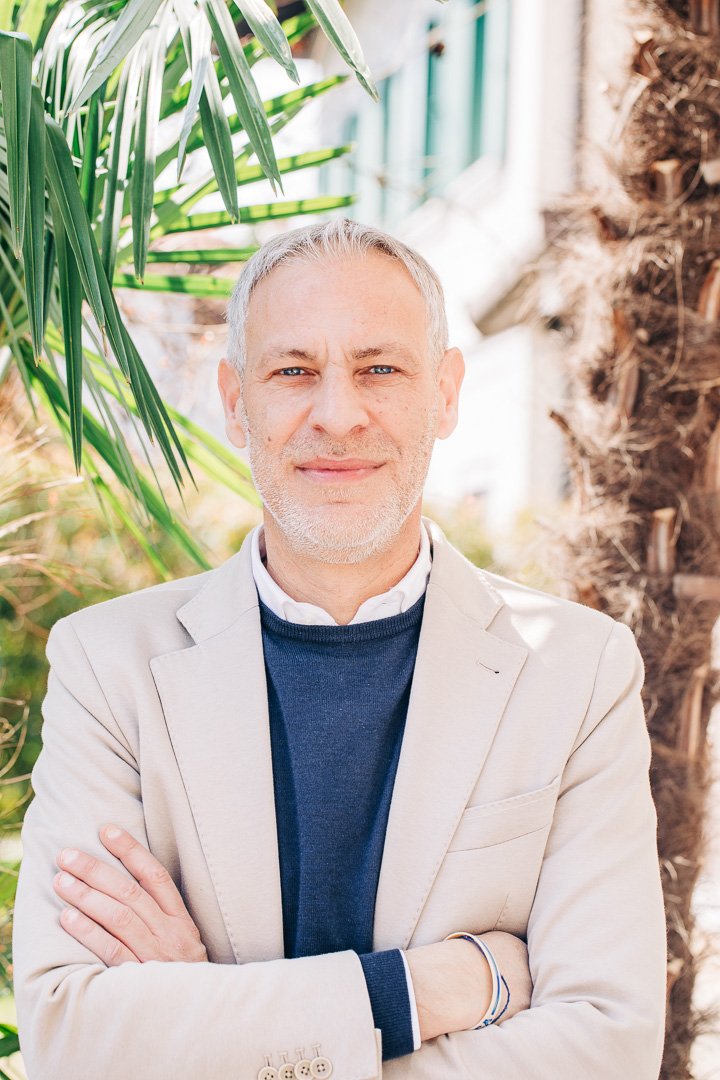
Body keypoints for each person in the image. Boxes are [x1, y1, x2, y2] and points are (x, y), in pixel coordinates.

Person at [12, 218, 667, 1080]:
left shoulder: (579, 672)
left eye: (379, 369)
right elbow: (69, 1036)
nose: (337, 414)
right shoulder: (107, 667)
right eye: (293, 372)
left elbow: (605, 1045)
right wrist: (420, 994)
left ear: (445, 393)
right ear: (237, 401)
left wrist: (210, 1017)